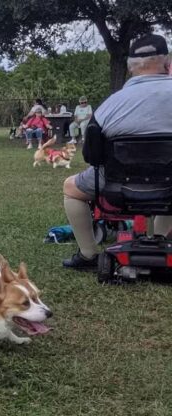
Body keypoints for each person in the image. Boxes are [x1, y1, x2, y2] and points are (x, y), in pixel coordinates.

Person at [61, 34, 172, 270]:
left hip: (119, 186)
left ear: (131, 68)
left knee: (71, 188)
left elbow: (92, 156)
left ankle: (89, 255)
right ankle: (161, 243)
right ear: (167, 63)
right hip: (170, 184)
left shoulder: (111, 104)